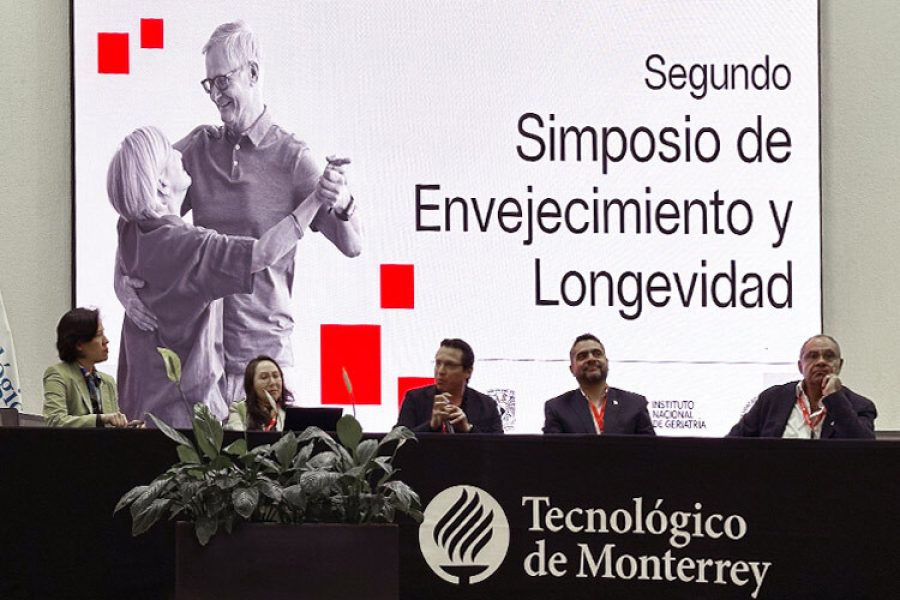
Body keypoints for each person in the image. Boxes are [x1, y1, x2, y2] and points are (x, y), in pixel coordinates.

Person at [116, 20, 362, 405]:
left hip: (262, 356)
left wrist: (341, 199)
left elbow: (353, 245)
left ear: (252, 73)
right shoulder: (198, 149)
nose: (214, 94)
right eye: (209, 83)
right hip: (201, 357)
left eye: (222, 81)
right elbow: (136, 206)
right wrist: (123, 289)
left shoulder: (293, 158)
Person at [108, 126, 325, 428]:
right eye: (168, 152)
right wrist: (316, 198)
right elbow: (263, 253)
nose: (178, 152)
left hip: (139, 414)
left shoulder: (131, 230)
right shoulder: (192, 247)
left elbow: (128, 203)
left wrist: (118, 283)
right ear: (160, 183)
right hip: (187, 424)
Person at [727, 335, 877, 439]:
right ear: (800, 366)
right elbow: (732, 444)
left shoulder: (860, 406)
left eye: (829, 356)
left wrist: (835, 399)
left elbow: (864, 451)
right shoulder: (773, 399)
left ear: (840, 365)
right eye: (812, 356)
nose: (821, 362)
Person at [43, 308, 140, 428]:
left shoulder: (107, 381)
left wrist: (130, 428)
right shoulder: (58, 374)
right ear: (79, 345)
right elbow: (55, 421)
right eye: (99, 335)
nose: (106, 341)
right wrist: (101, 419)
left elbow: (112, 427)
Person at [543, 333, 655, 435]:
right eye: (582, 356)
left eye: (597, 354)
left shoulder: (635, 404)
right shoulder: (557, 408)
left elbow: (651, 451)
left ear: (607, 362)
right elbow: (553, 453)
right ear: (572, 369)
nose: (591, 359)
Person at [397, 339, 503, 433]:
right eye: (438, 363)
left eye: (450, 365)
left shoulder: (487, 405)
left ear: (468, 372)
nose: (441, 371)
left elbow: (500, 449)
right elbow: (395, 443)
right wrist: (431, 426)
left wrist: (469, 429)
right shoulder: (415, 399)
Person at [226, 356, 292, 432]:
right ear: (251, 384)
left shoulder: (292, 413)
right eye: (264, 377)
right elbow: (238, 439)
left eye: (276, 376)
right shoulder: (239, 409)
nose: (272, 382)